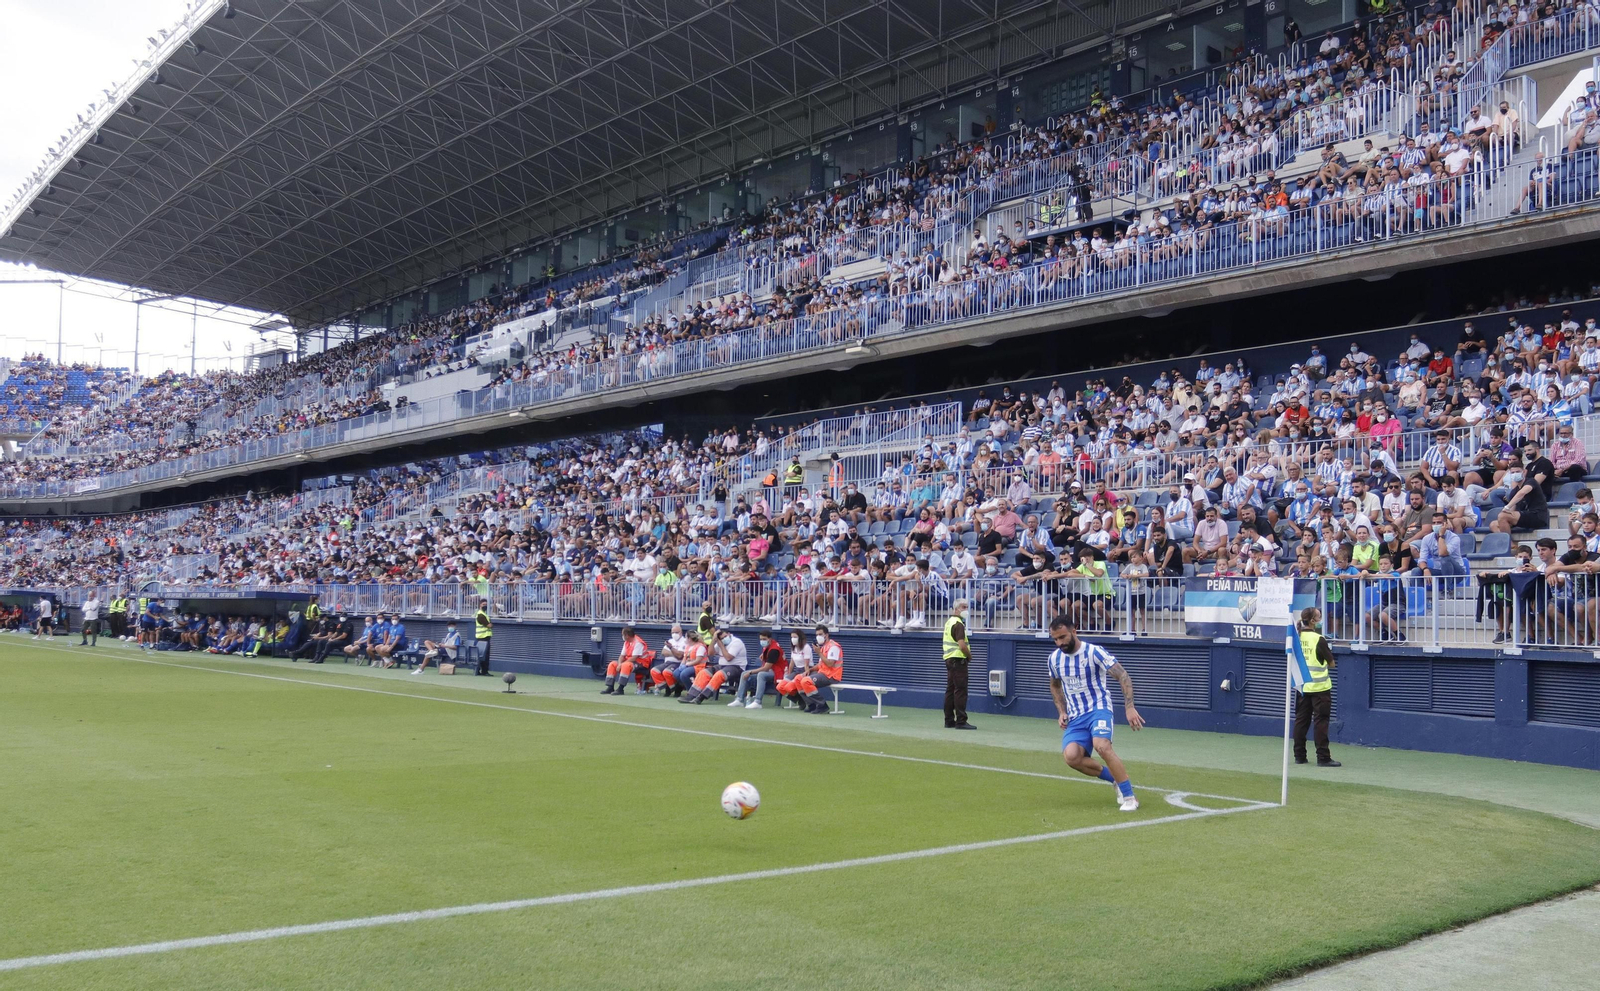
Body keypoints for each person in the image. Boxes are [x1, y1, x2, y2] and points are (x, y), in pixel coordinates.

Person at [1046, 613, 1144, 811]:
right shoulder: (1054, 659)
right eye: (1055, 639)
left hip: (1098, 708)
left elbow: (1122, 675)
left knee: (1102, 746)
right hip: (1076, 716)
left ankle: (1130, 797)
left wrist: (1130, 706)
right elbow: (1055, 685)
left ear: (1074, 631)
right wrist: (1061, 711)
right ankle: (1115, 780)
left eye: (1063, 637)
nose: (1059, 643)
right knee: (1072, 757)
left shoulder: (1094, 652)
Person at [1289, 606, 1341, 767]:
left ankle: (1299, 755)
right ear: (1313, 621)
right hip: (1320, 687)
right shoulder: (1319, 639)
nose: (1321, 619)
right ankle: (1323, 757)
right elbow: (1331, 663)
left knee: (1301, 721)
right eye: (1319, 616)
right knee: (1321, 722)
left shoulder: (1296, 637)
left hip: (1302, 686)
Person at [778, 624, 841, 713]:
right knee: (798, 679)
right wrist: (809, 670)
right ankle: (811, 704)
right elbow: (820, 665)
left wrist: (819, 653)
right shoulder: (824, 647)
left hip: (832, 676)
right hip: (823, 673)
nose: (818, 637)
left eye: (820, 634)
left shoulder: (833, 647)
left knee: (805, 681)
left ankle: (822, 705)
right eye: (817, 635)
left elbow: (830, 664)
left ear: (826, 635)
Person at [730, 629, 785, 708]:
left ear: (769, 639)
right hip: (771, 670)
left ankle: (758, 701)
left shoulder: (774, 650)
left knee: (761, 675)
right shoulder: (768, 645)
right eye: (761, 639)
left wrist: (751, 672)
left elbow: (766, 668)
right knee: (744, 673)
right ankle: (739, 699)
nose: (762, 641)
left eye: (764, 639)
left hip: (778, 673)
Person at [942, 598, 975, 729]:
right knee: (960, 691)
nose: (966, 610)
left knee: (950, 691)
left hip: (949, 660)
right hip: (958, 661)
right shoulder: (959, 624)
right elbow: (962, 645)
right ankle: (961, 720)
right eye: (963, 607)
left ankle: (949, 720)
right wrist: (969, 656)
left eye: (967, 607)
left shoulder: (949, 622)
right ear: (956, 609)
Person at [602, 626, 656, 695]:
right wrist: (619, 664)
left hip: (641, 664)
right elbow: (622, 656)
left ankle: (621, 689)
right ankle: (610, 687)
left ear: (627, 635)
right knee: (612, 664)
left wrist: (621, 665)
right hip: (630, 662)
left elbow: (634, 658)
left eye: (623, 635)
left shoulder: (638, 643)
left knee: (625, 665)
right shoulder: (626, 642)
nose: (622, 636)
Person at [473, 598, 493, 675]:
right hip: (483, 637)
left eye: (486, 604)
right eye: (483, 604)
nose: (485, 606)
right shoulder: (481, 615)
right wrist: (490, 625)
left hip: (483, 637)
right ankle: (484, 671)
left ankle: (481, 670)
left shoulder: (483, 614)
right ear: (480, 605)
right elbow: (489, 625)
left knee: (482, 655)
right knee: (484, 655)